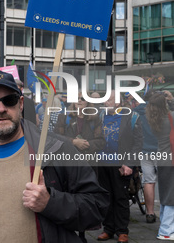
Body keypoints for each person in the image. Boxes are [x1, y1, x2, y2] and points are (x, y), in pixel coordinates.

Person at [0, 70, 109, 243]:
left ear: (20, 103)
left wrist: (50, 203)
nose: (1, 109)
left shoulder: (56, 149)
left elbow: (97, 206)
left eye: (9, 100)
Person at [55, 92, 105, 243]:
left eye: (83, 99)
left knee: (85, 200)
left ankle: (82, 234)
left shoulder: (94, 118)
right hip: (68, 164)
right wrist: (73, 142)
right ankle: (67, 232)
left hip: (88, 164)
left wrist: (88, 145)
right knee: (67, 198)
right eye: (77, 98)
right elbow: (56, 137)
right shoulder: (65, 116)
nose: (79, 101)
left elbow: (101, 141)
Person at [97, 91, 143, 243]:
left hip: (121, 164)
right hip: (103, 163)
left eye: (108, 100)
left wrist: (129, 163)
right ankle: (108, 229)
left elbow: (137, 143)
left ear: (118, 102)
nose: (105, 103)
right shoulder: (101, 116)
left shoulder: (131, 116)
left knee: (121, 198)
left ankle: (122, 231)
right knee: (106, 197)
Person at [146, 92, 174, 240]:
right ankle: (166, 231)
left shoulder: (155, 119)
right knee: (171, 196)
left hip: (162, 159)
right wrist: (172, 100)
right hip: (171, 160)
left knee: (166, 194)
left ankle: (166, 226)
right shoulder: (169, 119)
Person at [133, 90, 158, 223]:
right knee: (167, 182)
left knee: (149, 181)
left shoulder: (137, 111)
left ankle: (150, 212)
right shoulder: (161, 112)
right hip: (162, 150)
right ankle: (168, 212)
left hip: (144, 150)